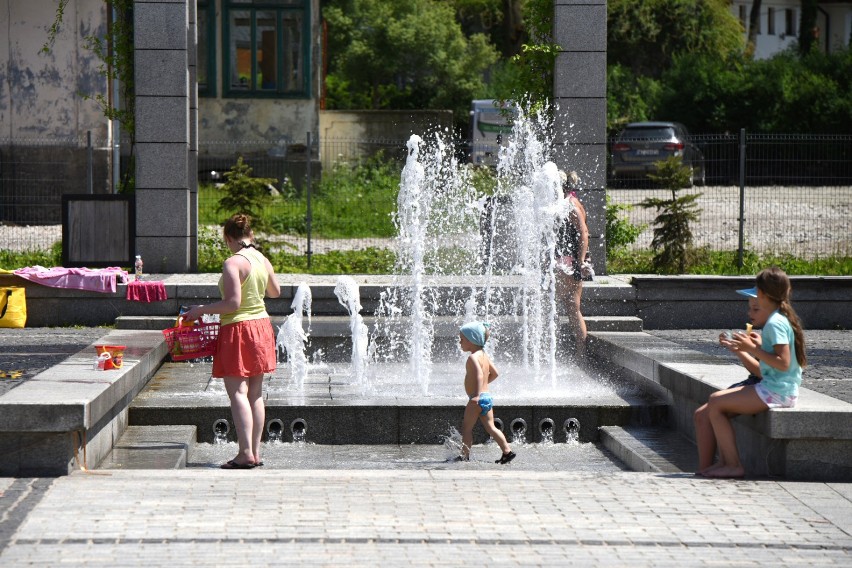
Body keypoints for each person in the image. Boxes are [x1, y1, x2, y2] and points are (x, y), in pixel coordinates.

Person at [183, 214, 281, 469]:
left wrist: (201, 309)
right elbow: (275, 292)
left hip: (238, 329)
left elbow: (232, 304)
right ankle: (255, 453)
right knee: (256, 394)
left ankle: (245, 453)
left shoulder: (233, 263)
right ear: (250, 235)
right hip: (262, 327)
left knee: (238, 392)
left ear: (229, 238)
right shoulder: (262, 259)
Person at [693, 267, 807, 479]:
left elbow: (784, 363)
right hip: (776, 388)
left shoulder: (775, 322)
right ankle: (724, 462)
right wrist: (748, 348)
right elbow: (769, 368)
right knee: (715, 405)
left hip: (777, 392)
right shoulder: (779, 319)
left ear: (762, 294)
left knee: (715, 402)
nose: (750, 311)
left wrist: (753, 349)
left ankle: (733, 464)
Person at [457, 321, 515, 464]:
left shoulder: (472, 358)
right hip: (486, 397)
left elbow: (478, 375)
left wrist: (476, 394)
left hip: (476, 399)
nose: (460, 342)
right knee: (491, 427)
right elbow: (495, 373)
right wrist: (483, 387)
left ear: (472, 340)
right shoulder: (484, 355)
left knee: (466, 429)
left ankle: (464, 456)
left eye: (462, 340)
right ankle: (507, 451)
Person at [555, 170, 590, 359]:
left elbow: (584, 233)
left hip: (566, 262)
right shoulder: (572, 202)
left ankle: (551, 355)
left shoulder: (569, 205)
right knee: (572, 308)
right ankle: (580, 355)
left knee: (549, 305)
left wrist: (580, 261)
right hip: (571, 261)